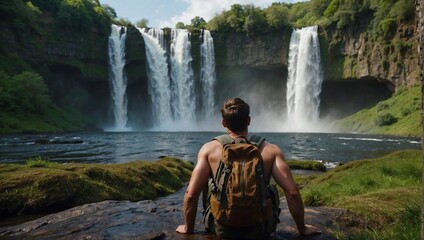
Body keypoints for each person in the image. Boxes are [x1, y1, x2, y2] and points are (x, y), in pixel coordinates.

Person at [176, 97, 321, 238]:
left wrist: (188, 228)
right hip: (260, 229)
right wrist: (302, 229)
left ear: (223, 123)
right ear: (248, 120)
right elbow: (292, 192)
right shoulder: (270, 150)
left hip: (221, 229)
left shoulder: (209, 150)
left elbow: (191, 194)